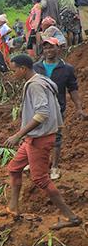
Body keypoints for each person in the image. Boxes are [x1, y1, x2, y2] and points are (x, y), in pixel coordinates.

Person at [4, 55, 82, 230]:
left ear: (23, 69)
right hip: (33, 137)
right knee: (14, 168)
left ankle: (71, 217)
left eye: (14, 69)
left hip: (39, 138)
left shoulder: (36, 86)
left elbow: (42, 114)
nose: (13, 73)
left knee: (40, 179)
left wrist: (18, 135)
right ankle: (13, 207)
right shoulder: (40, 80)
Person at [33, 38, 87, 180]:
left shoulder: (67, 68)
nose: (48, 51)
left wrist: (79, 108)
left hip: (58, 108)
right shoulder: (36, 67)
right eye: (46, 48)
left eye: (51, 47)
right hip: (38, 108)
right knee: (36, 135)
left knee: (56, 138)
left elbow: (73, 89)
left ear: (59, 49)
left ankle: (55, 167)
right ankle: (38, 163)